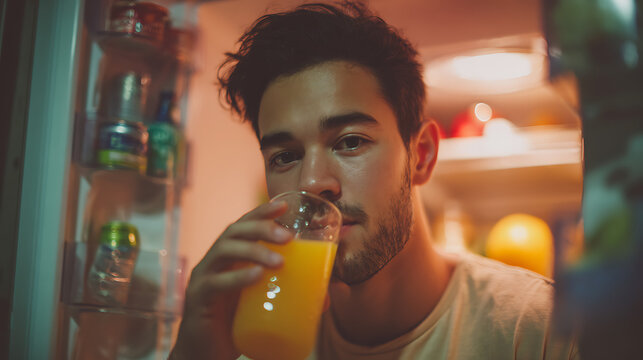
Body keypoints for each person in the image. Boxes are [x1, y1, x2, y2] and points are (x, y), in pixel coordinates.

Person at [170, 1, 578, 359]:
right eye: (286, 156)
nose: (313, 182)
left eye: (349, 142)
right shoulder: (260, 339)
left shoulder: (537, 329)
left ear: (421, 156)